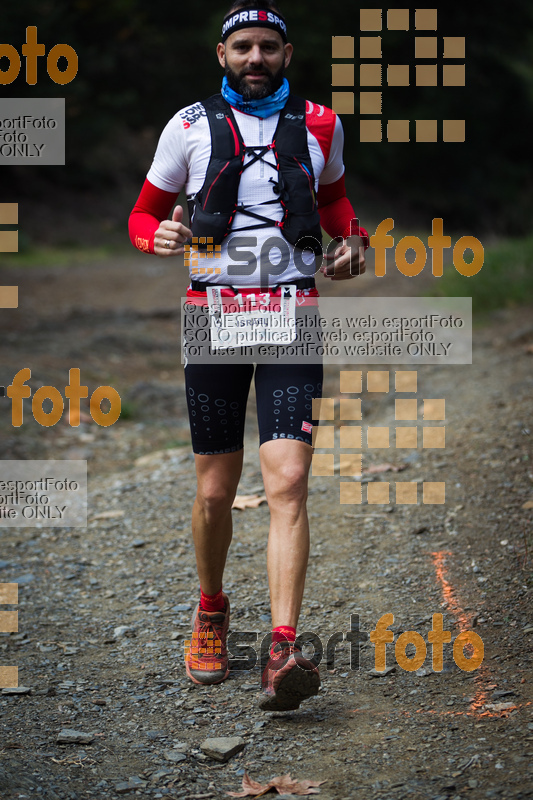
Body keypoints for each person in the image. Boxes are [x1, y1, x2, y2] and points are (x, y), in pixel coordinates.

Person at [129, 0, 368, 711]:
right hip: (213, 314)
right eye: (243, 48)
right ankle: (210, 610)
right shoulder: (189, 125)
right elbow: (144, 214)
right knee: (213, 490)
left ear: (287, 55)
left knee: (288, 481)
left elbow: (333, 205)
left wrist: (353, 240)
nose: (256, 58)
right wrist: (155, 240)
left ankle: (282, 646)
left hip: (292, 307)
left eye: (268, 47)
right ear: (221, 55)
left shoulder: (322, 122)